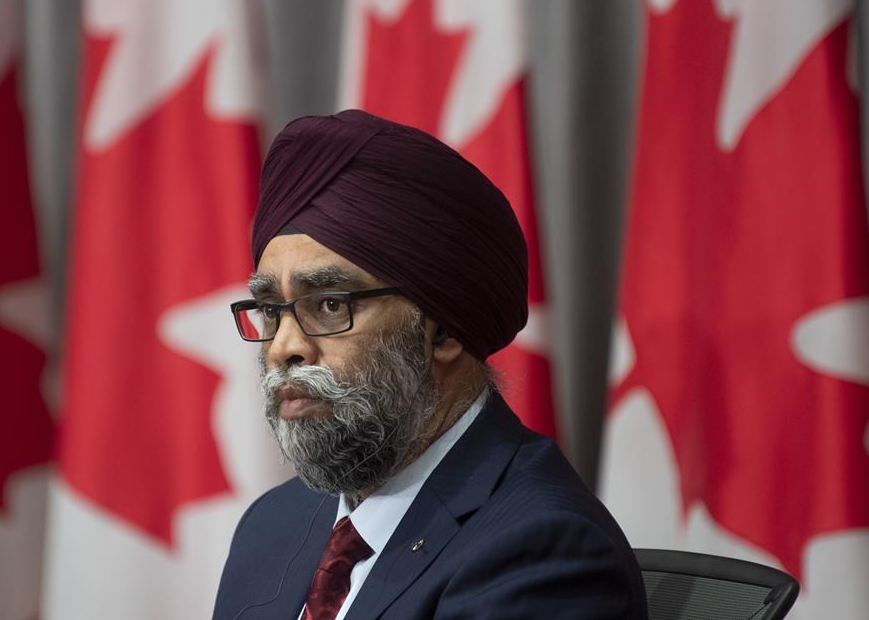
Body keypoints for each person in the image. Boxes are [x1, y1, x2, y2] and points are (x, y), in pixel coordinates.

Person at [213, 110, 646, 620]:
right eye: (270, 310)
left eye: (330, 304)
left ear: (441, 330)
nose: (284, 345)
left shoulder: (542, 551)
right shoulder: (273, 526)